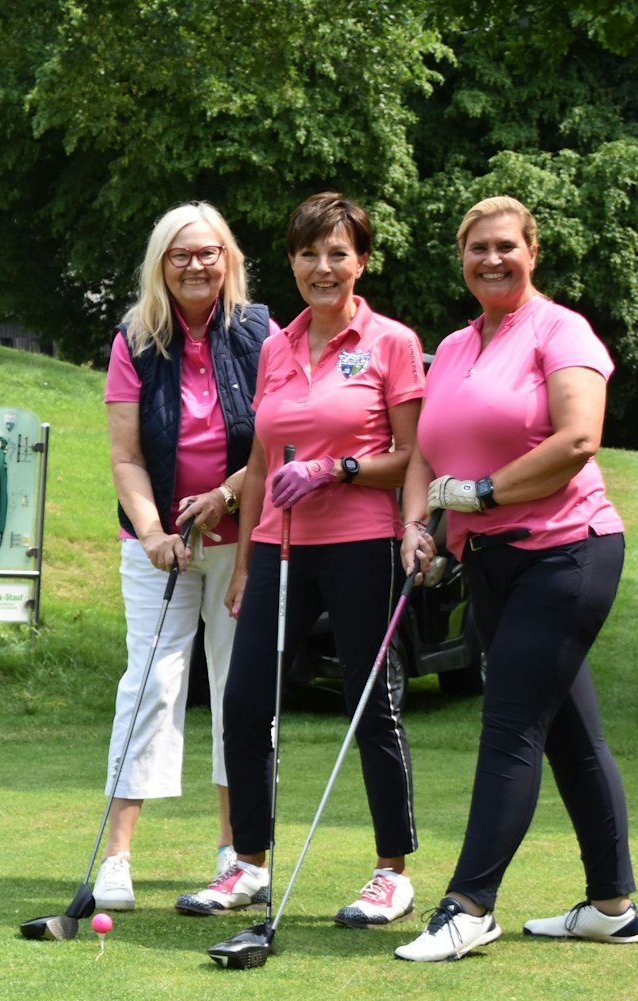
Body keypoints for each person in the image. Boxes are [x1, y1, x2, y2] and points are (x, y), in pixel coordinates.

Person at [391, 195, 638, 963]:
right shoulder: (458, 345)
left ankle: (470, 906)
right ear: (461, 259)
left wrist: (488, 492)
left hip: (566, 552)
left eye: (506, 245)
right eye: (477, 248)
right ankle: (611, 905)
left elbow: (577, 437)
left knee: (510, 725)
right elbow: (428, 455)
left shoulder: (561, 330)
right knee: (571, 732)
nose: (491, 259)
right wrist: (417, 526)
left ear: (532, 250)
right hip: (491, 562)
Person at [175, 192, 426, 930]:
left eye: (338, 253)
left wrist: (338, 470)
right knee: (246, 703)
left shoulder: (391, 342)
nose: (323, 267)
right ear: (290, 261)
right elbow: (259, 457)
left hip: (360, 541)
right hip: (279, 548)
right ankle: (248, 863)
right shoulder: (277, 346)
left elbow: (412, 454)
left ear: (362, 261)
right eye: (309, 253)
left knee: (369, 704)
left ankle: (392, 872)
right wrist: (249, 557)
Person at [94, 202, 273, 911]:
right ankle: (117, 857)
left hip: (243, 536)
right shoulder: (135, 338)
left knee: (239, 690)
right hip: (159, 546)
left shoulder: (262, 332)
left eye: (208, 252)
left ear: (226, 257)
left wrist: (228, 495)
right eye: (180, 254)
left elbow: (275, 439)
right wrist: (152, 533)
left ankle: (235, 850)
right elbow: (125, 455)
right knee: (151, 684)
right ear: (160, 264)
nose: (195, 264)